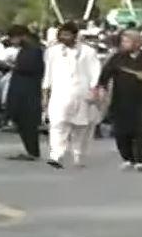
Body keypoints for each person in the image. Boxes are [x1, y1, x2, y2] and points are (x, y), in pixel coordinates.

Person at [99, 29, 142, 171]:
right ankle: (127, 158)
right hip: (121, 99)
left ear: (137, 43)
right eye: (123, 41)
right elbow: (105, 76)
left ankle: (140, 159)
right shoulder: (117, 58)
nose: (124, 44)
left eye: (127, 41)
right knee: (122, 130)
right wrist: (101, 91)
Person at [42, 22, 102, 169]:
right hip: (59, 94)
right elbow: (48, 74)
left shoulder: (88, 52)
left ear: (75, 36)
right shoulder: (52, 51)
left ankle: (78, 155)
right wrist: (45, 95)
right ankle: (56, 155)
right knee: (57, 124)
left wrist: (94, 90)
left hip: (82, 94)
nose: (64, 37)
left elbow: (95, 72)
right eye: (62, 34)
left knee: (80, 127)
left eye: (68, 35)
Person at [6, 26, 45, 161]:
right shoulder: (25, 49)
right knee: (21, 120)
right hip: (22, 88)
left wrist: (11, 67)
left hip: (28, 90)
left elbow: (31, 68)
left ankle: (32, 151)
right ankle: (30, 150)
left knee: (28, 121)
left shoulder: (34, 50)